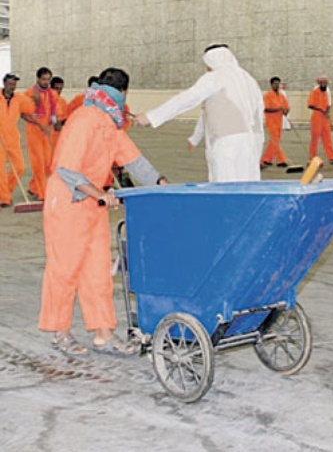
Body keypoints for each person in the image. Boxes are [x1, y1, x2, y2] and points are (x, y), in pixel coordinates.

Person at [39, 67, 169, 356]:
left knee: (97, 270)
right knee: (65, 268)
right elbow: (67, 169)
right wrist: (99, 193)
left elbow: (134, 161)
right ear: (123, 93)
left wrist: (162, 184)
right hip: (68, 200)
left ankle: (103, 334)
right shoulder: (84, 120)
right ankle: (60, 332)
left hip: (93, 204)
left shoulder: (110, 125)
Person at [134, 44, 264, 182]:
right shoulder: (249, 79)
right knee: (248, 187)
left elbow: (186, 99)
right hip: (252, 143)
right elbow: (257, 112)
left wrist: (150, 117)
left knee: (225, 188)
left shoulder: (214, 77)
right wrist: (195, 138)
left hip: (227, 144)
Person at [0, 73, 36, 208]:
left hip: (13, 138)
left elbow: (29, 110)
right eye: (10, 84)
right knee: (0, 171)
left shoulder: (19, 99)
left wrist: (35, 102)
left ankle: (5, 192)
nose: (12, 87)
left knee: (20, 167)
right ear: (4, 83)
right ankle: (4, 199)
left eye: (14, 84)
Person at [24, 67, 58, 201]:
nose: (46, 82)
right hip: (34, 132)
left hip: (47, 132)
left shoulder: (52, 94)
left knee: (48, 163)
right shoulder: (29, 94)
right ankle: (42, 193)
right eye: (43, 79)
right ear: (37, 79)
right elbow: (24, 114)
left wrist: (53, 124)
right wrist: (39, 125)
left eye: (48, 79)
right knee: (38, 163)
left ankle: (33, 187)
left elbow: (53, 113)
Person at [260, 76, 290, 168]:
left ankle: (266, 159)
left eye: (278, 84)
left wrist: (286, 111)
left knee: (274, 141)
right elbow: (266, 109)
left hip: (279, 121)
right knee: (275, 140)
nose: (277, 86)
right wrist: (277, 109)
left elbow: (286, 107)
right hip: (271, 121)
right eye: (275, 84)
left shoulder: (281, 96)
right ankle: (281, 160)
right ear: (271, 85)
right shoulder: (267, 96)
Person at [307, 75, 333, 163]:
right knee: (315, 138)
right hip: (317, 117)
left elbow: (328, 105)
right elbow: (310, 105)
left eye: (326, 83)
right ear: (319, 83)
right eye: (323, 83)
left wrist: (327, 112)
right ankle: (312, 157)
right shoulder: (315, 92)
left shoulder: (326, 92)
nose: (324, 84)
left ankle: (331, 157)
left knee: (327, 137)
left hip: (325, 117)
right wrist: (321, 109)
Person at [49, 76, 69, 147]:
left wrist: (61, 123)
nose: (59, 91)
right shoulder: (44, 101)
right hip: (46, 136)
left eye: (60, 89)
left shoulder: (62, 101)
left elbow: (66, 118)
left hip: (59, 137)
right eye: (56, 88)